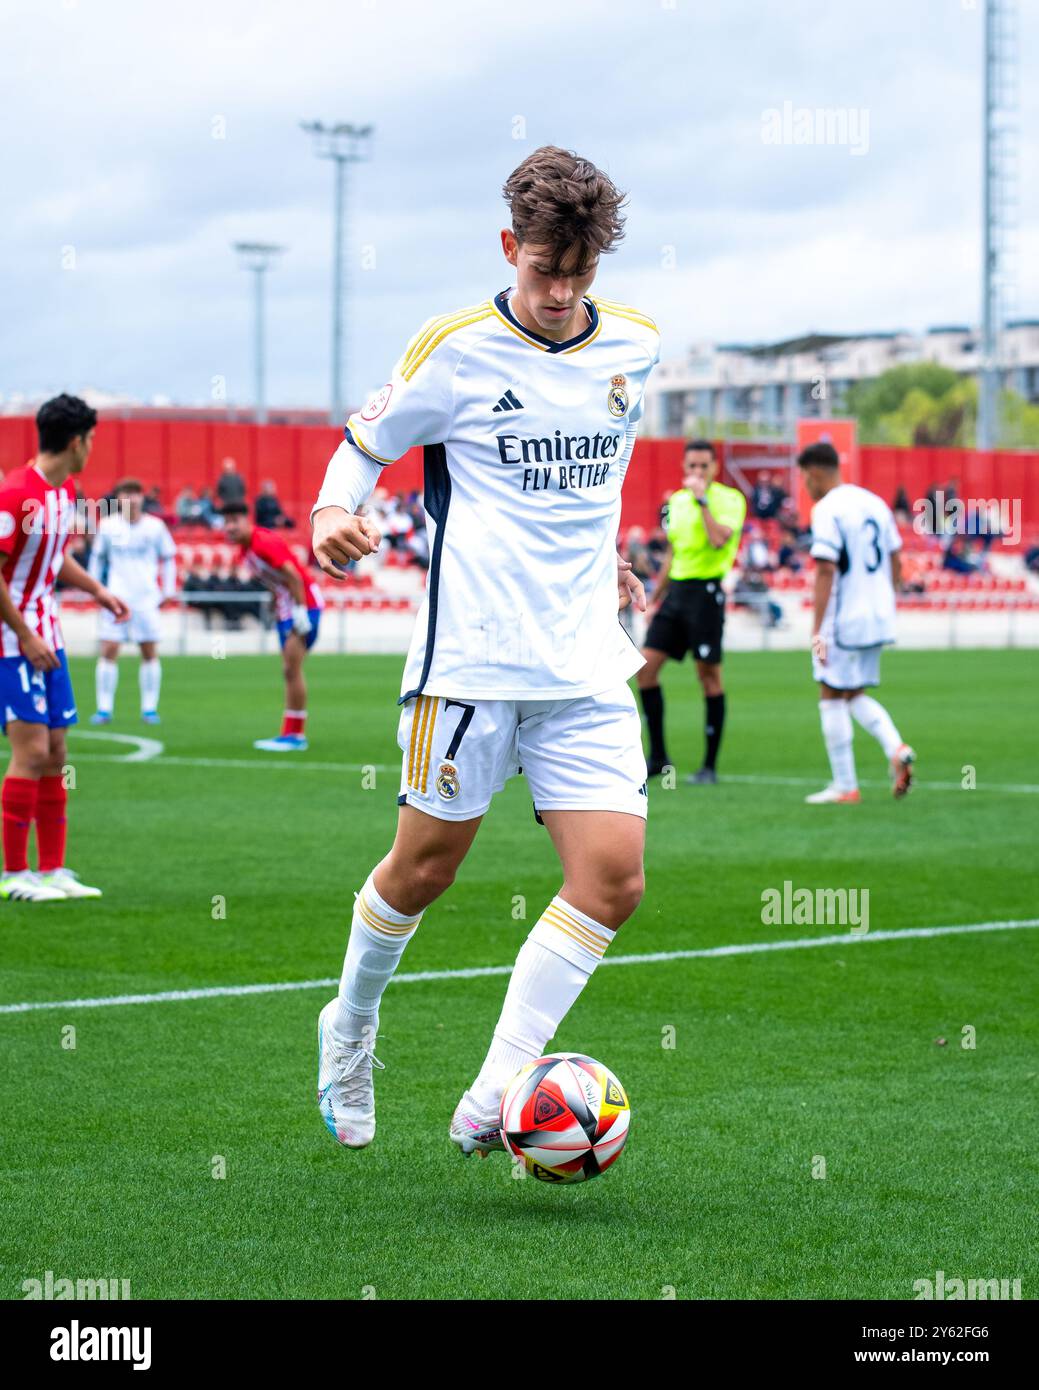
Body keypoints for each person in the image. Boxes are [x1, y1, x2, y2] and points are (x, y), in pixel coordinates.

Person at [309, 145, 658, 1156]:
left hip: (586, 666)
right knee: (423, 870)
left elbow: (597, 480)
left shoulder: (635, 346)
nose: (559, 292)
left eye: (578, 273)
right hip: (469, 665)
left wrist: (616, 561)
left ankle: (500, 1086)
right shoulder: (452, 347)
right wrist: (335, 513)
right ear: (509, 246)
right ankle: (350, 1027)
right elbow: (360, 450)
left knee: (614, 879)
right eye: (544, 267)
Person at [0, 394, 130, 902]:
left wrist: (97, 591)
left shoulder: (65, 492)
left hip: (45, 637)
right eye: (92, 440)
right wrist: (25, 634)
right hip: (14, 641)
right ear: (76, 441)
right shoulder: (14, 494)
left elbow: (55, 559)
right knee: (30, 751)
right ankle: (14, 874)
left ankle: (52, 869)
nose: (92, 449)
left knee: (56, 753)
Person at [798, 441, 915, 804]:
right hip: (879, 616)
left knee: (830, 694)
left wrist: (817, 629)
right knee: (854, 693)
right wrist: (886, 599)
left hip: (845, 619)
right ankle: (896, 749)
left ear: (815, 472)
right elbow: (896, 558)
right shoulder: (874, 503)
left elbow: (826, 567)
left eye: (805, 477)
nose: (805, 485)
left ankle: (845, 785)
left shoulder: (827, 509)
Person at [636, 440, 746, 784]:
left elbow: (718, 539)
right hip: (677, 594)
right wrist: (656, 598)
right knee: (645, 669)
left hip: (706, 593)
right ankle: (658, 757)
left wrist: (702, 501)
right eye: (692, 466)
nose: (697, 473)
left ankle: (709, 765)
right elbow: (672, 553)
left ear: (714, 468)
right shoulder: (675, 502)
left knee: (708, 677)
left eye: (704, 466)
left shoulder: (730, 500)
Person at [220, 503, 323, 750]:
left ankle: (295, 736)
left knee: (291, 669)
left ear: (248, 520)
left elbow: (293, 576)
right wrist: (276, 604)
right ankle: (290, 732)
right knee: (289, 670)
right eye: (227, 522)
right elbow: (276, 582)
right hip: (288, 608)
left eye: (235, 520)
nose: (230, 527)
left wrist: (299, 612)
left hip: (304, 605)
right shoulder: (245, 551)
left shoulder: (262, 542)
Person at [89, 478, 177, 725]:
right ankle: (104, 708)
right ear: (117, 499)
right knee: (109, 649)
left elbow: (169, 557)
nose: (131, 498)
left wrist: (167, 589)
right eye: (126, 494)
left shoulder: (155, 527)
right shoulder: (107, 526)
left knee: (149, 651)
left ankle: (149, 709)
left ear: (142, 497)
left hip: (146, 598)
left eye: (135, 493)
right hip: (116, 598)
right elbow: (97, 559)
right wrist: (97, 589)